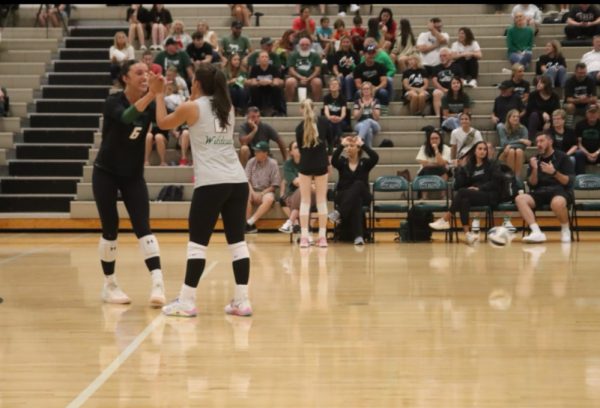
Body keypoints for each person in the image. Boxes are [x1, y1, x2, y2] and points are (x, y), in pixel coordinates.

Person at [149, 63, 253, 317]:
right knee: (237, 242)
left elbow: (162, 123)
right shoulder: (227, 108)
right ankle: (242, 301)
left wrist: (159, 93)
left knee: (197, 244)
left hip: (211, 183)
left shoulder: (192, 107)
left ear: (197, 83)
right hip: (237, 182)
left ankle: (186, 301)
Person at [92, 60, 166, 306]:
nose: (145, 76)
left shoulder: (151, 101)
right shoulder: (113, 101)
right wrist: (152, 94)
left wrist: (161, 95)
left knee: (143, 226)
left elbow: (165, 124)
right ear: (125, 78)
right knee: (110, 227)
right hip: (106, 172)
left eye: (147, 72)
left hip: (133, 175)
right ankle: (109, 284)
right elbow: (126, 117)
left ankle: (158, 283)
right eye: (139, 73)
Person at [429, 141, 503, 245]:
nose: (483, 151)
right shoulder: (470, 166)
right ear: (474, 151)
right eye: (480, 149)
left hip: (489, 195)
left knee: (463, 192)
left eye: (485, 149)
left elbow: (496, 182)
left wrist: (479, 188)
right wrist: (461, 168)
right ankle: (468, 234)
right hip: (474, 196)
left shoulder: (492, 164)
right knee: (464, 200)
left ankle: (446, 219)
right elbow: (458, 185)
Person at [516, 131, 575, 243]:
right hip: (540, 191)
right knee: (520, 199)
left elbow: (569, 181)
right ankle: (536, 231)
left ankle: (566, 229)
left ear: (550, 141)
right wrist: (534, 169)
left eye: (542, 141)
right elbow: (532, 184)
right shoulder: (535, 160)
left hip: (560, 190)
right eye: (537, 141)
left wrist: (554, 173)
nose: (538, 144)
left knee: (556, 203)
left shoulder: (563, 157)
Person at [295, 98, 333, 248]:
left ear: (300, 110)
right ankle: (322, 237)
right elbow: (331, 141)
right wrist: (328, 159)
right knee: (321, 201)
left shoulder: (299, 128)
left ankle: (304, 237)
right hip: (321, 164)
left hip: (305, 165)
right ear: (315, 108)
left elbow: (300, 148)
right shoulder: (323, 122)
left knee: (305, 201)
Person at [331, 135, 379, 245]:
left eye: (351, 146)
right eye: (346, 146)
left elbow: (375, 157)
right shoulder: (342, 162)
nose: (348, 148)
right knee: (356, 201)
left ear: (358, 148)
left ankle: (339, 212)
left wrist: (363, 144)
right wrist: (341, 145)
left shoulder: (365, 163)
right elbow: (333, 160)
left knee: (358, 185)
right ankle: (358, 237)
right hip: (344, 196)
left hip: (364, 195)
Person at [278, 140, 316, 235]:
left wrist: (305, 182)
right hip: (292, 195)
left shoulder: (309, 163)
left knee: (305, 191)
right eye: (296, 147)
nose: (299, 149)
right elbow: (296, 182)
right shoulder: (288, 165)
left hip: (311, 194)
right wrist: (308, 182)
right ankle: (305, 228)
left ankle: (290, 222)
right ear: (291, 152)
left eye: (300, 147)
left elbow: (316, 182)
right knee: (302, 191)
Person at [244, 141, 281, 233]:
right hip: (252, 189)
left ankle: (250, 222)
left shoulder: (273, 164)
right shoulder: (251, 162)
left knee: (269, 199)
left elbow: (275, 185)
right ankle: (247, 225)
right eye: (255, 151)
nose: (255, 153)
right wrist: (252, 192)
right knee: (246, 193)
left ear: (265, 153)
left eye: (258, 151)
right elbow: (246, 180)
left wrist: (262, 193)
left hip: (266, 191)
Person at [247, 50, 286, 117]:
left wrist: (269, 82)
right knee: (253, 88)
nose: (264, 58)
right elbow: (253, 82)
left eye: (266, 57)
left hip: (270, 88)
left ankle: (278, 111)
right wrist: (260, 82)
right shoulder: (255, 68)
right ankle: (257, 110)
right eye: (262, 57)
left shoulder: (273, 68)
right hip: (259, 88)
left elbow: (276, 82)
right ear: (258, 59)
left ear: (269, 59)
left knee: (277, 88)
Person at [285, 37, 323, 102]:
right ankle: (289, 104)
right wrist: (300, 78)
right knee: (289, 82)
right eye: (302, 45)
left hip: (311, 78)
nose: (305, 46)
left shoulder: (315, 55)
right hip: (296, 78)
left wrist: (308, 78)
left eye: (307, 45)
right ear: (299, 46)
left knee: (317, 82)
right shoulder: (293, 55)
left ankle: (317, 103)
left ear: (310, 45)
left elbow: (317, 70)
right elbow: (291, 70)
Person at [352, 43, 390, 107]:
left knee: (383, 93)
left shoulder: (380, 66)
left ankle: (383, 113)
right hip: (364, 89)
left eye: (373, 53)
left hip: (377, 89)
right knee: (358, 93)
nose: (371, 55)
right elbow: (358, 84)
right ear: (364, 54)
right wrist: (367, 89)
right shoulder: (358, 68)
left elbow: (384, 82)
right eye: (369, 53)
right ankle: (358, 112)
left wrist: (376, 88)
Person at [498, 108, 531, 178]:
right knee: (511, 151)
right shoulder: (502, 128)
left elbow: (524, 146)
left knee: (518, 151)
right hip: (505, 153)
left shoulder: (523, 128)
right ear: (508, 118)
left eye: (518, 117)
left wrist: (510, 144)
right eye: (514, 116)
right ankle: (510, 178)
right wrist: (520, 140)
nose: (516, 118)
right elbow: (504, 144)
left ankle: (516, 178)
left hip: (520, 154)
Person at [431, 47, 463, 118]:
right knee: (436, 93)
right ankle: (438, 116)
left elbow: (461, 81)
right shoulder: (436, 68)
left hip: (454, 90)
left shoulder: (457, 67)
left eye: (444, 55)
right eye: (440, 56)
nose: (442, 57)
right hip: (441, 90)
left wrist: (452, 90)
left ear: (450, 56)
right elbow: (434, 81)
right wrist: (443, 89)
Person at [330, 35, 360, 101]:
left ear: (350, 43)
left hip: (352, 76)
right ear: (341, 43)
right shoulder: (337, 54)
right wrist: (337, 73)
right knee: (340, 77)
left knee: (348, 78)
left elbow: (358, 68)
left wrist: (353, 73)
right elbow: (334, 66)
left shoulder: (355, 54)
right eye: (344, 42)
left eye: (347, 42)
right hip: (341, 74)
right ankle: (341, 98)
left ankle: (349, 99)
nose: (346, 44)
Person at [352, 81, 381, 147]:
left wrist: (373, 108)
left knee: (369, 121)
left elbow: (377, 118)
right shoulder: (358, 101)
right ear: (361, 91)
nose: (366, 90)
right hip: (360, 124)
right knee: (369, 131)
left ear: (371, 90)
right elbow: (356, 118)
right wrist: (361, 108)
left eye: (368, 89)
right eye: (364, 89)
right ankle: (369, 151)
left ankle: (359, 138)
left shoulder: (376, 101)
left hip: (374, 124)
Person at [574, 103, 600, 174]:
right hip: (584, 153)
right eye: (590, 112)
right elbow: (579, 144)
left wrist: (596, 153)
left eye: (595, 112)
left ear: (598, 114)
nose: (592, 115)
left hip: (598, 153)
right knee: (578, 153)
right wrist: (588, 154)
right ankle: (580, 178)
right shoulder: (579, 124)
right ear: (586, 113)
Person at [322, 77, 348, 145]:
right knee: (331, 124)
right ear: (329, 87)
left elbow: (343, 112)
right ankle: (338, 141)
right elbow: (326, 111)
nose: (333, 86)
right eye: (331, 84)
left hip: (341, 120)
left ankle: (334, 142)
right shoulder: (326, 98)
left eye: (335, 84)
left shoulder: (343, 98)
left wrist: (340, 118)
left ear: (339, 87)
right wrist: (330, 117)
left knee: (337, 124)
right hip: (329, 119)